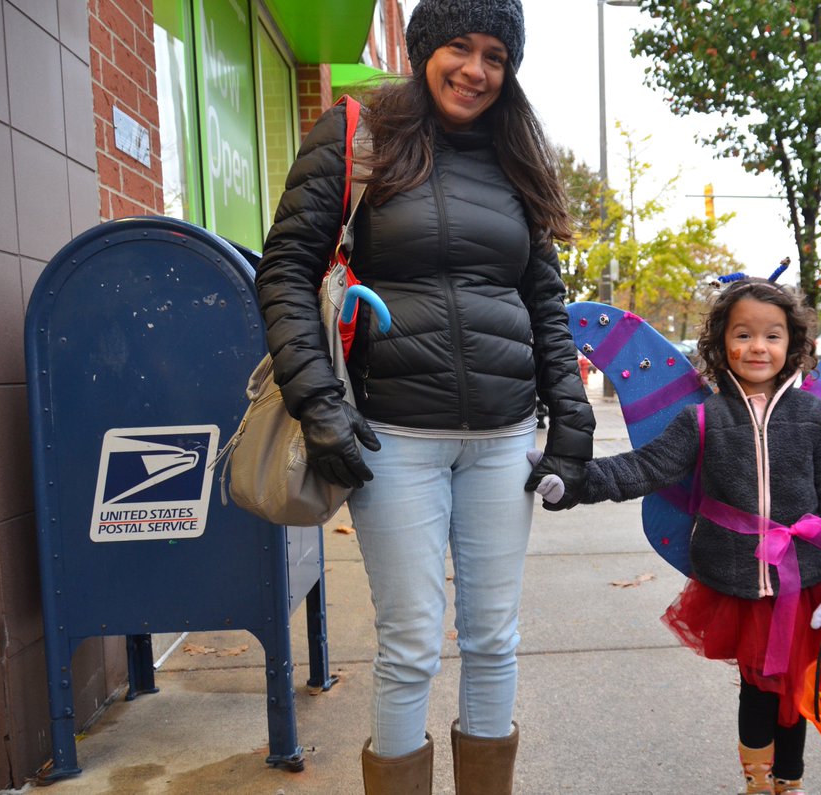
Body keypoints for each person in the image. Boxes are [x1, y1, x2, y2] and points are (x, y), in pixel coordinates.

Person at [253, 1, 594, 792]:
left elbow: (544, 300)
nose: (477, 70)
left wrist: (571, 425)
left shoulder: (515, 155)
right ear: (422, 49)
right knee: (409, 644)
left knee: (493, 640)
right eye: (459, 48)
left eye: (496, 56)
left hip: (503, 440)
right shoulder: (358, 134)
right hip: (394, 436)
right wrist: (319, 403)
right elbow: (286, 273)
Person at [572, 279, 821, 794]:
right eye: (744, 334)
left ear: (792, 345)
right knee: (756, 690)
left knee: (795, 690)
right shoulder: (704, 418)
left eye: (773, 336)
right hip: (737, 584)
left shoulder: (817, 419)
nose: (758, 347)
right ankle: (757, 784)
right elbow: (647, 467)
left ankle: (789, 783)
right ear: (721, 344)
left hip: (804, 584)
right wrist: (576, 483)